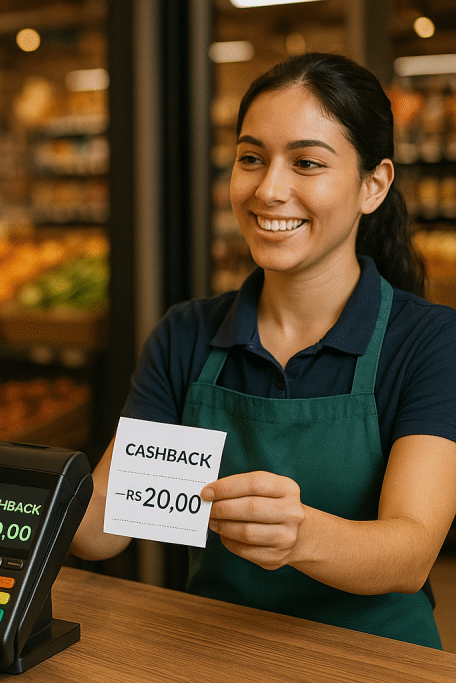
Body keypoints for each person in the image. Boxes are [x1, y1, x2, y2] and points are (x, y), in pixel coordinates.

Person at [71, 52, 456, 649]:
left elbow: (408, 552)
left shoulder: (428, 341)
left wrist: (300, 535)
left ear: (373, 185)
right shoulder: (189, 335)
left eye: (306, 163)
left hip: (378, 661)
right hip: (214, 650)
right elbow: (104, 529)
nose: (270, 189)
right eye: (251, 159)